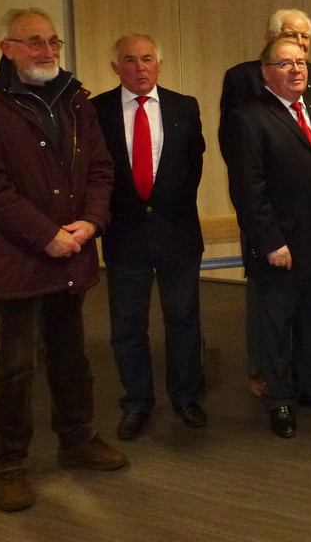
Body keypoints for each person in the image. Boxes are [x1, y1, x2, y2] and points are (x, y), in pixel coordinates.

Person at [0, 8, 126, 512]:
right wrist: (44, 235)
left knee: (71, 357)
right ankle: (7, 464)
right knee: (17, 367)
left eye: (53, 41)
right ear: (7, 48)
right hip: (18, 258)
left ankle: (77, 440)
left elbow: (100, 168)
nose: (47, 51)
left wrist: (92, 221)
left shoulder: (76, 98)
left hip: (71, 250)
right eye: (33, 42)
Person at [221, 37, 311, 438]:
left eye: (301, 62)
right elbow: (248, 190)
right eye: (285, 63)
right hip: (281, 246)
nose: (297, 69)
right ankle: (279, 398)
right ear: (266, 73)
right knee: (276, 327)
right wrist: (270, 242)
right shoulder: (248, 118)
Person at [92, 35, 207, 440]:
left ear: (159, 64)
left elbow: (193, 165)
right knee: (128, 327)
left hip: (177, 232)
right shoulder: (97, 111)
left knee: (183, 320)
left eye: (147, 59)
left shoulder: (184, 106)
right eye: (130, 60)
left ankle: (186, 397)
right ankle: (137, 403)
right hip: (125, 235)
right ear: (115, 67)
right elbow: (95, 172)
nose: (140, 68)